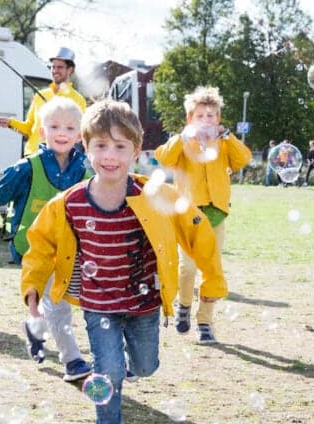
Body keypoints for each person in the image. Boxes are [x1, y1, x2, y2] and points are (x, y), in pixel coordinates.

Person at [23, 100, 227, 424]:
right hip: (98, 303)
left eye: (120, 146)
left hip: (143, 303)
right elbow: (41, 245)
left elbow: (198, 233)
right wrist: (33, 285)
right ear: (85, 146)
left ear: (136, 151)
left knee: (146, 366)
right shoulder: (68, 203)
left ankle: (134, 362)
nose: (110, 156)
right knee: (110, 372)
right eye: (101, 145)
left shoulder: (156, 196)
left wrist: (213, 280)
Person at [0, 96, 93, 381]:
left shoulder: (86, 174)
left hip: (67, 250)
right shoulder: (27, 167)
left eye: (71, 128)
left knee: (52, 300)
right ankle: (71, 359)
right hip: (30, 245)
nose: (62, 132)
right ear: (41, 131)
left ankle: (37, 331)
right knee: (50, 299)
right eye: (54, 126)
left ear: (80, 136)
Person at [154, 86, 249, 344]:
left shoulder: (224, 143)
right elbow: (163, 157)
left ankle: (205, 322)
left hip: (216, 213)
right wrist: (182, 137)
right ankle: (184, 305)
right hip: (189, 214)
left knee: (212, 269)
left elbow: (243, 159)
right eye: (200, 116)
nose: (206, 121)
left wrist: (228, 137)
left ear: (218, 120)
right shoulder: (184, 142)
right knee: (187, 268)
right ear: (190, 119)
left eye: (211, 116)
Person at [0, 47, 87, 155]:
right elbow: (29, 128)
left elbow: (79, 134)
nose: (55, 71)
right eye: (53, 67)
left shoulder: (78, 100)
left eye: (60, 67)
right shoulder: (41, 95)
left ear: (70, 69)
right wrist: (10, 122)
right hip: (31, 155)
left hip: (56, 158)